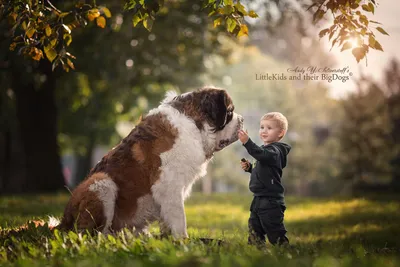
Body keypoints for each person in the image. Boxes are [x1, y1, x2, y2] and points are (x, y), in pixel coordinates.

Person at [238, 112, 291, 247]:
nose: (264, 131)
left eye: (269, 128)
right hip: (258, 199)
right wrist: (250, 168)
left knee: (275, 234)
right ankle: (258, 255)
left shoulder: (276, 151)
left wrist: (247, 142)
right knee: (255, 232)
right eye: (262, 127)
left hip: (271, 201)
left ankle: (288, 253)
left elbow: (262, 155)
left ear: (280, 133)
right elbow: (264, 170)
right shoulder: (266, 150)